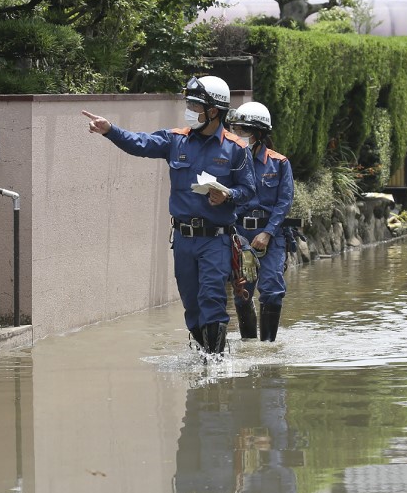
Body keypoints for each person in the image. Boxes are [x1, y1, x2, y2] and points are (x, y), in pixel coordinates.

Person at [82, 76, 255, 354]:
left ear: (214, 111)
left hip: (216, 240)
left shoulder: (236, 148)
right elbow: (139, 143)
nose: (190, 110)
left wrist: (228, 195)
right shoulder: (176, 140)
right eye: (189, 103)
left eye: (196, 105)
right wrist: (110, 130)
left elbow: (249, 190)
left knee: (211, 299)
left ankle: (216, 368)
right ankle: (204, 356)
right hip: (184, 239)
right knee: (192, 305)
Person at [227, 101, 295, 341]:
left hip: (270, 234)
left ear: (258, 133)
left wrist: (267, 233)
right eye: (236, 129)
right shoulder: (230, 162)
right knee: (242, 291)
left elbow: (284, 202)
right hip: (239, 233)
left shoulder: (279, 163)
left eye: (243, 131)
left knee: (272, 290)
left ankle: (267, 348)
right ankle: (248, 344)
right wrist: (237, 238)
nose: (238, 135)